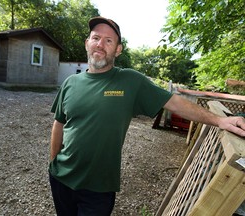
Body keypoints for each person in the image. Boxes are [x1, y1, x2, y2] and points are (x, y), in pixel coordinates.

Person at [48, 16, 245, 216]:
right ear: (87, 43)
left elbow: (175, 103)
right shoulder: (70, 83)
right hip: (61, 179)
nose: (100, 44)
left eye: (108, 40)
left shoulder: (130, 81)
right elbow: (59, 124)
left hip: (98, 188)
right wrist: (53, 163)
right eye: (96, 38)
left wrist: (220, 120)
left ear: (118, 49)